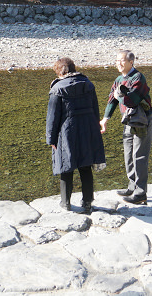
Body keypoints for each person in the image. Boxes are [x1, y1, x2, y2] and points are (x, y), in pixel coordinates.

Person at [46, 57, 106, 214]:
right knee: (86, 167)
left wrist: (51, 139)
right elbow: (95, 110)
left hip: (66, 133)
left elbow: (52, 118)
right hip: (87, 130)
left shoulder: (57, 89)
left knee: (66, 166)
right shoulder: (88, 85)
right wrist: (95, 131)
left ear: (60, 71)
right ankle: (87, 203)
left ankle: (65, 203)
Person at [100, 50, 152, 204]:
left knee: (140, 156)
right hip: (129, 121)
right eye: (117, 60)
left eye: (122, 60)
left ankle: (141, 193)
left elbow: (133, 100)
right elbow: (112, 100)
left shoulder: (138, 77)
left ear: (131, 62)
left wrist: (120, 96)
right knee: (128, 155)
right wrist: (105, 119)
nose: (118, 63)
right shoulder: (118, 80)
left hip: (142, 120)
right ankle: (132, 186)